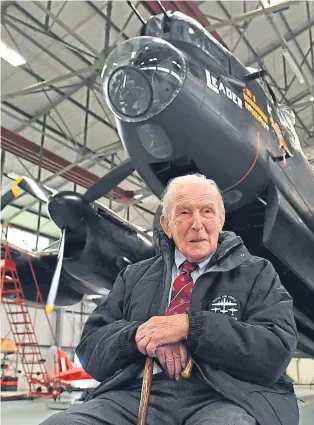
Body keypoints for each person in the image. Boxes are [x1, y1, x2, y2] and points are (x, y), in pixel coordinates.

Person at [41, 174, 299, 425]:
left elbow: (274, 352)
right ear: (166, 225)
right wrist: (144, 335)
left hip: (226, 396)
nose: (197, 223)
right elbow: (90, 352)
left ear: (220, 220)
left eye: (207, 211)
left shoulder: (258, 273)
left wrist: (189, 327)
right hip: (136, 393)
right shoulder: (132, 276)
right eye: (184, 212)